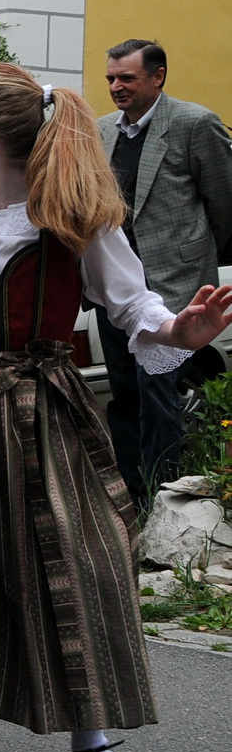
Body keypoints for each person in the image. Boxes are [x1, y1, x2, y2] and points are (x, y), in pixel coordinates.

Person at [0, 62, 232, 752]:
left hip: (45, 413)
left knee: (80, 566)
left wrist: (181, 330)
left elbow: (133, 306)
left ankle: (92, 741)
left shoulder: (75, 216)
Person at [96, 39, 232, 504]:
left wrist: (192, 255)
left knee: (159, 392)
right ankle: (133, 497)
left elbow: (224, 204)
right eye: (111, 78)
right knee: (124, 394)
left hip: (176, 284)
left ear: (158, 77)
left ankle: (164, 496)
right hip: (117, 288)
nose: (116, 86)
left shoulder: (195, 123)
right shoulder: (102, 131)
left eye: (126, 78)